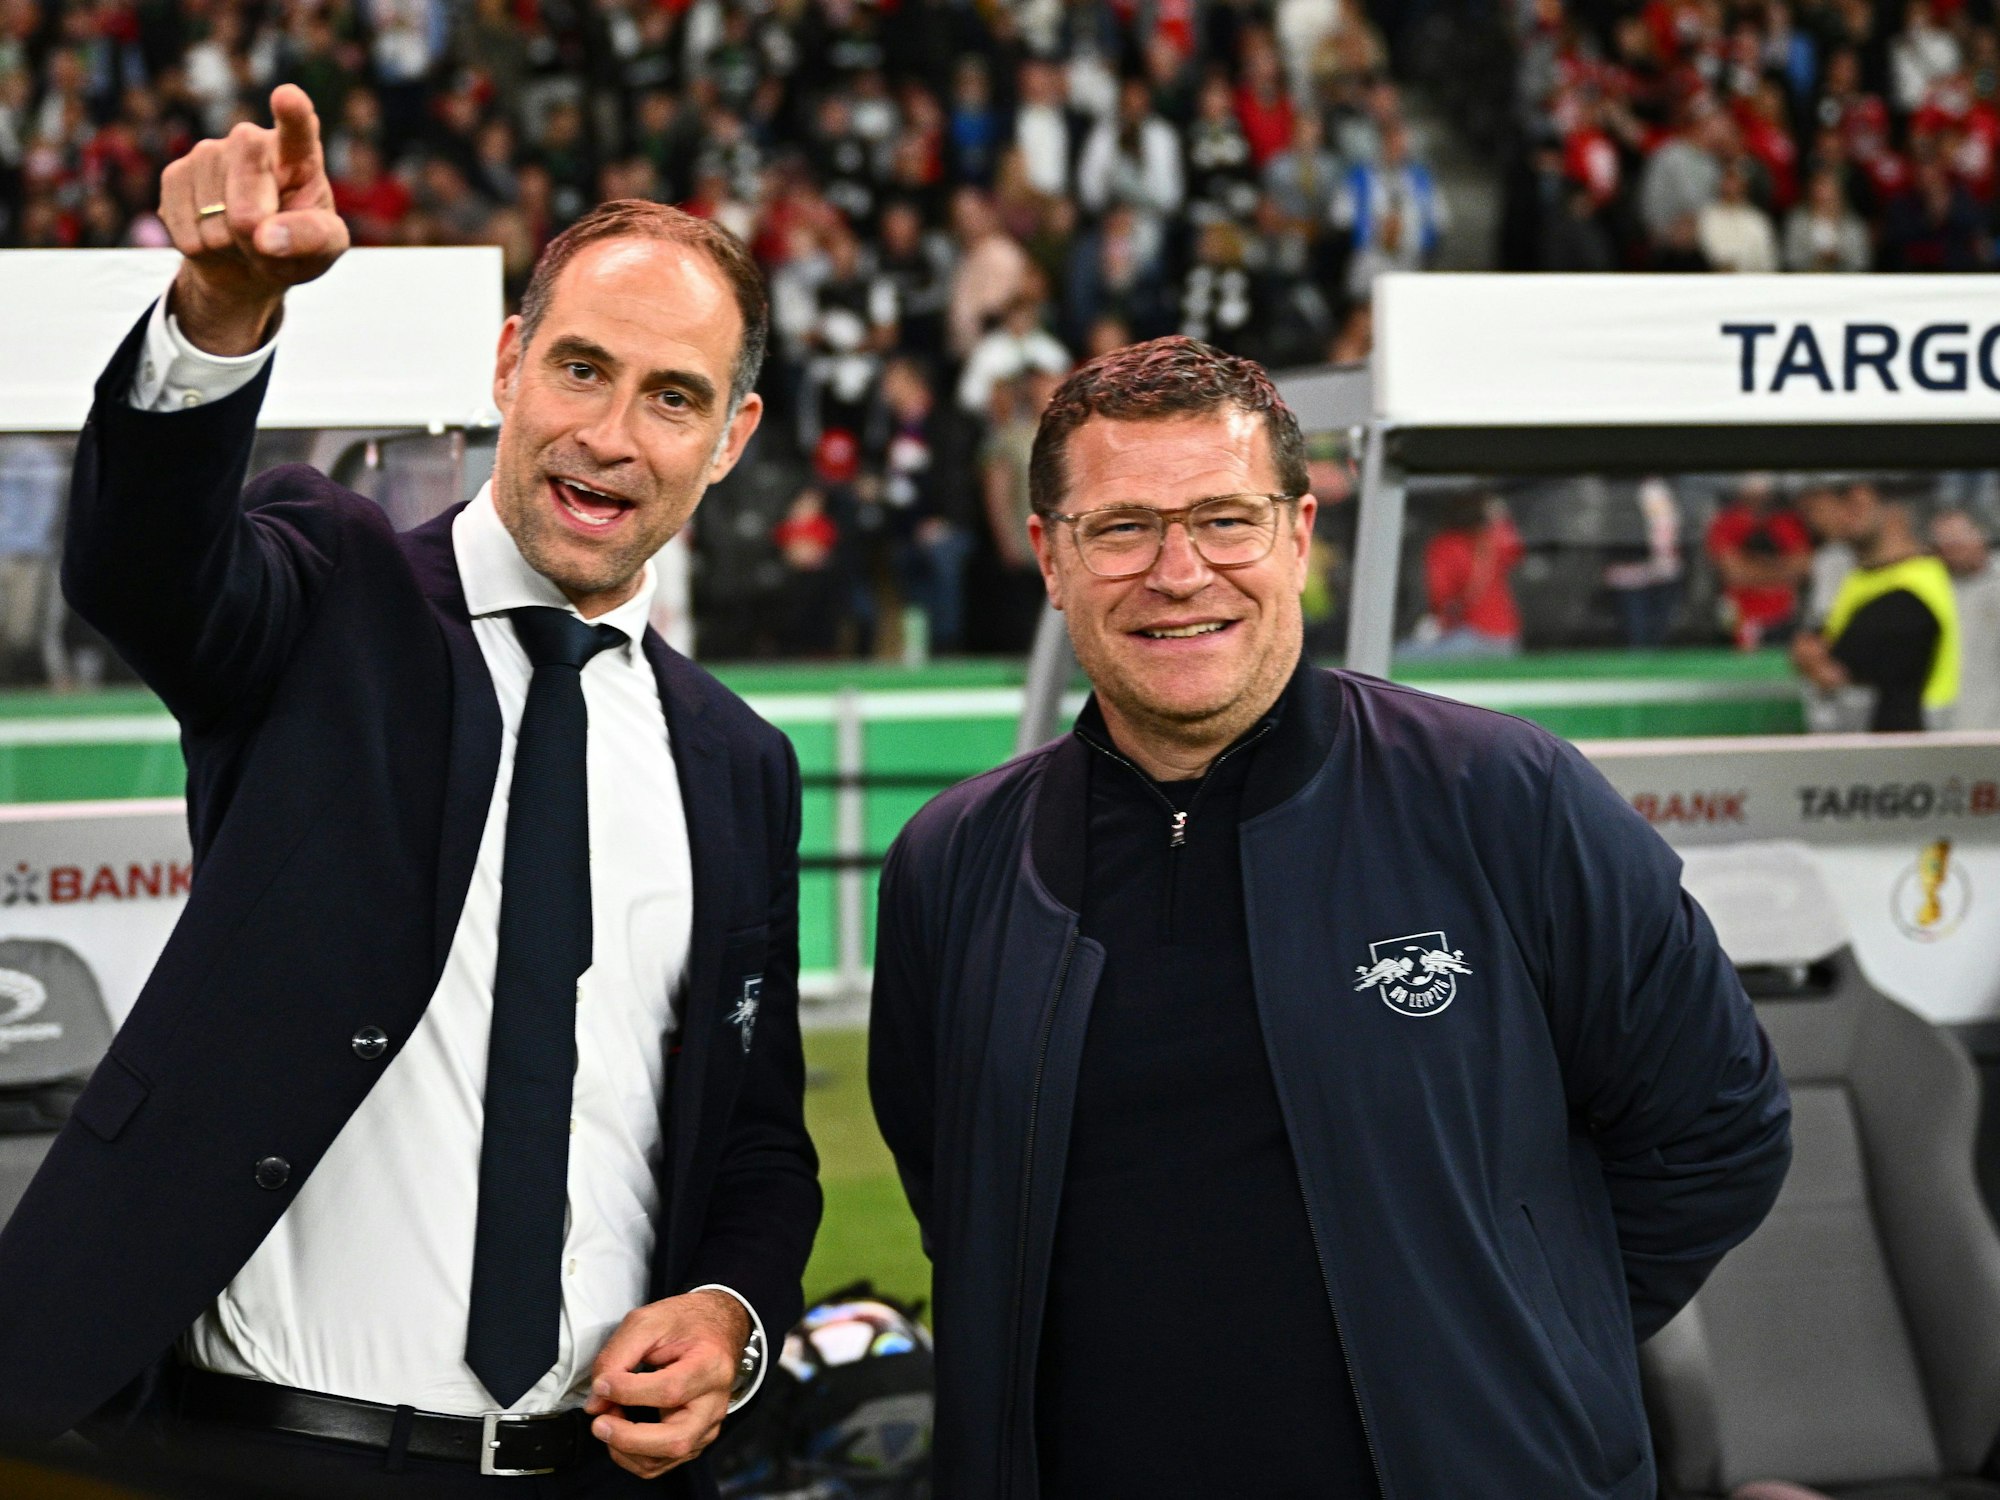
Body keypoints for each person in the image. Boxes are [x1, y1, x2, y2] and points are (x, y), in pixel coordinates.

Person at [0, 87, 821, 1497]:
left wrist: (733, 1320)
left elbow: (754, 1141)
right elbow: (144, 570)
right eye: (580, 368)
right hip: (245, 1453)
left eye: (672, 397)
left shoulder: (740, 764)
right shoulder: (334, 589)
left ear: (730, 438)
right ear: (509, 364)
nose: (612, 436)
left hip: (584, 1472)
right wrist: (220, 309)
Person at [868, 336, 1790, 1500]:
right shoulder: (953, 866)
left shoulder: (1501, 798)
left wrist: (1522, 1339)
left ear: (1298, 535)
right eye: (1121, 529)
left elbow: (1720, 1127)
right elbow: (956, 1198)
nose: (1178, 570)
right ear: (1050, 559)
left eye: (1223, 519)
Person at [1792, 486, 1960, 731]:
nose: (1820, 519)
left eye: (1849, 498)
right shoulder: (1860, 578)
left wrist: (1818, 660)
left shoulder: (1911, 592)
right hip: (1864, 752)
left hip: (1912, 752)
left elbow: (1839, 667)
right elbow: (1816, 644)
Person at [1706, 473, 1811, 648]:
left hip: (1784, 617)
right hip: (1740, 619)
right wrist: (1780, 568)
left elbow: (1803, 568)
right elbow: (1733, 574)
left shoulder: (1787, 522)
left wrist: (1752, 565)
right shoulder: (1727, 523)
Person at [1931, 510, 2000, 730]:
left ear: (1980, 536)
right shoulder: (1933, 587)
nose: (1953, 550)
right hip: (1945, 716)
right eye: (1946, 544)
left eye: (1959, 541)